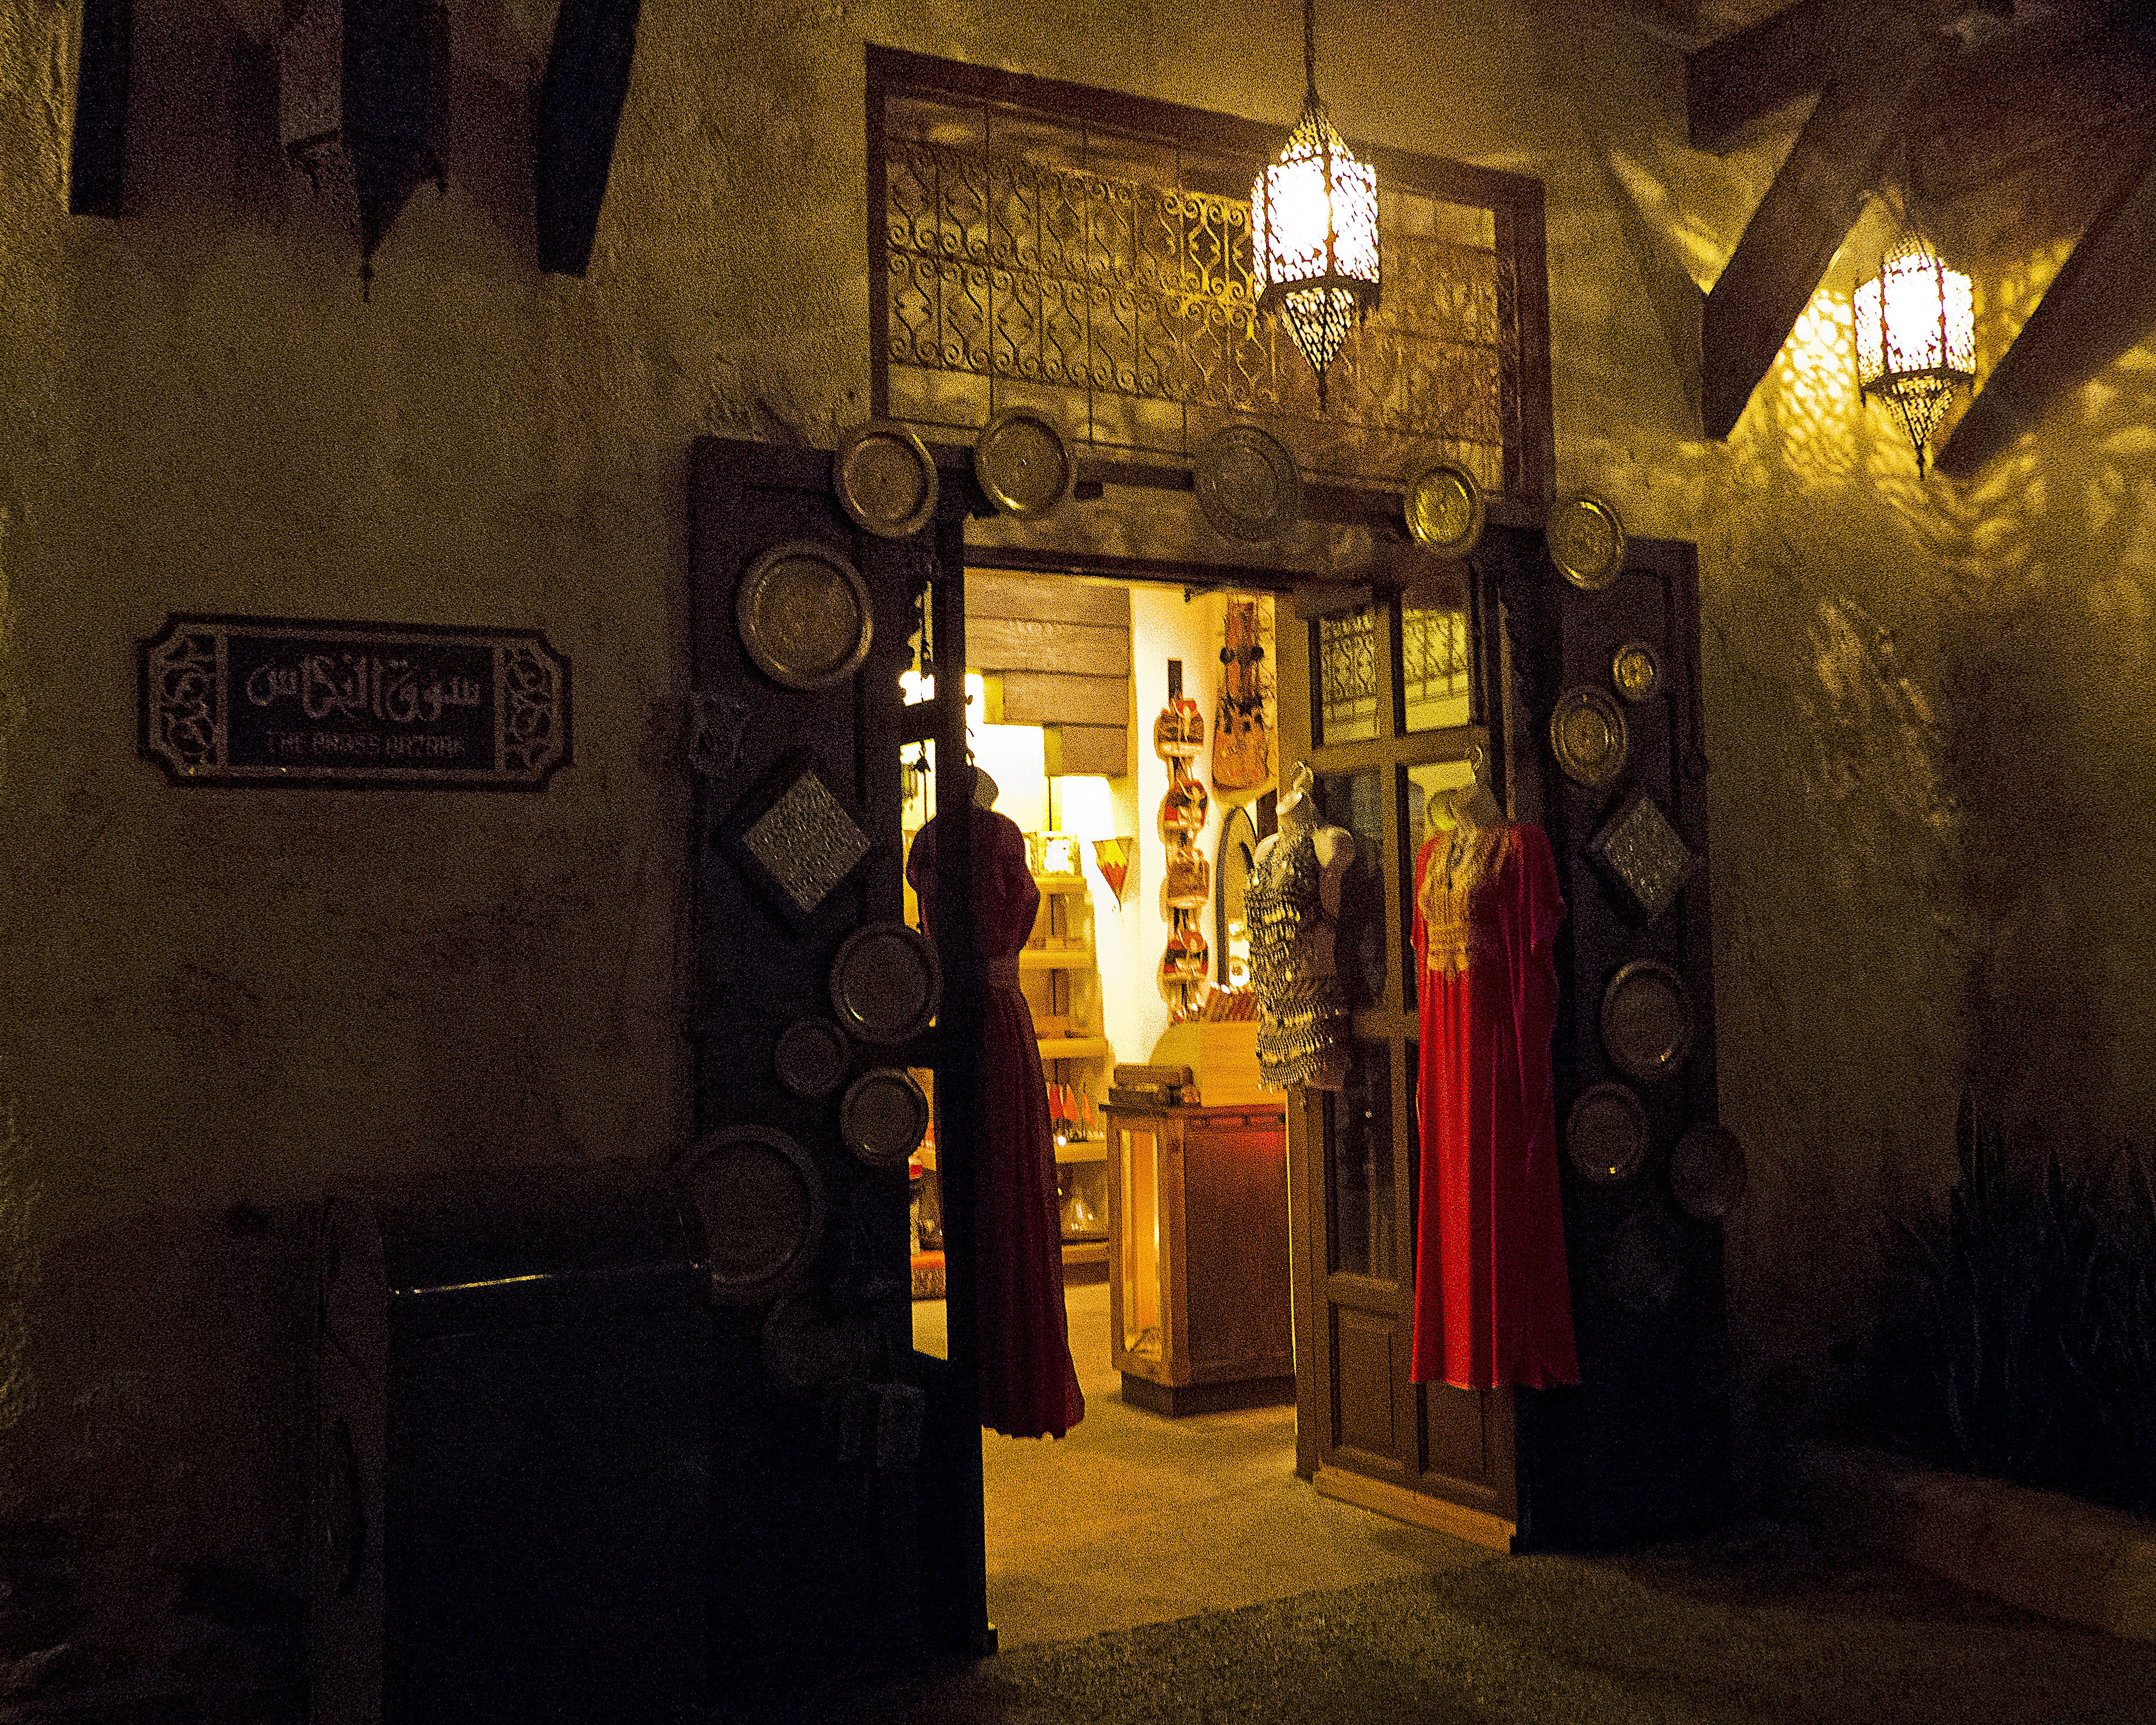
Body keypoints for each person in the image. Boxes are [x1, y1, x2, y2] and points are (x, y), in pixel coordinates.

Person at [906, 764, 1085, 1439]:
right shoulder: (1002, 835)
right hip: (999, 1017)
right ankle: (1010, 1360)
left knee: (974, 1178)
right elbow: (1021, 905)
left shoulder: (928, 842)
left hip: (952, 1011)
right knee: (1008, 1177)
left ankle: (979, 1358)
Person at [1409, 754, 1580, 1390]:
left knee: (1498, 1179)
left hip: (1491, 1043)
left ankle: (1501, 1346)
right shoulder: (1430, 857)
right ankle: (1451, 1348)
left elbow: (1532, 953)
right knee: (1449, 1183)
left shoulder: (1521, 848)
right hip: (1444, 1041)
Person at [1245, 763, 1353, 1091]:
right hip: (1273, 1012)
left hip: (1315, 1004)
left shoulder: (1330, 843)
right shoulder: (1266, 849)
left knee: (1326, 1087)